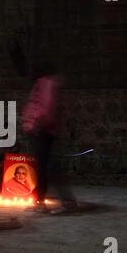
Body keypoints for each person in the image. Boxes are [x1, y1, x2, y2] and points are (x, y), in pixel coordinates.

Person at [22, 70, 77, 215]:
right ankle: (43, 202)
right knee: (45, 168)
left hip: (42, 130)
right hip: (45, 130)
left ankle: (66, 203)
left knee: (47, 168)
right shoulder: (47, 83)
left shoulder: (45, 83)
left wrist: (35, 125)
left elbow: (46, 108)